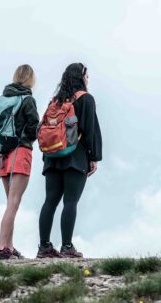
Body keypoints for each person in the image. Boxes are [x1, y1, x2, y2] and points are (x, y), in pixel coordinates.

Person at [37, 63, 102, 258]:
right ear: (81, 77)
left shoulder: (55, 101)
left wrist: (47, 155)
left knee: (50, 201)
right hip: (76, 156)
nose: (88, 78)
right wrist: (94, 157)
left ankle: (44, 247)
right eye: (87, 75)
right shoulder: (86, 99)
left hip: (52, 157)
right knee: (71, 201)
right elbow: (90, 130)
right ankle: (67, 247)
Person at [0, 64, 39, 260]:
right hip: (20, 153)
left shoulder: (1, 99)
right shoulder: (28, 99)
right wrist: (28, 139)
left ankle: (10, 246)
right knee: (14, 203)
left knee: (10, 203)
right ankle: (0, 248)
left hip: (3, 155)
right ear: (31, 79)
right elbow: (33, 127)